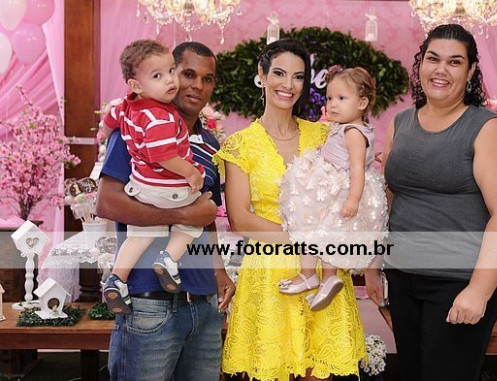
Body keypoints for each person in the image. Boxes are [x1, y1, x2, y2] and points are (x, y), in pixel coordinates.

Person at [365, 24, 497, 381]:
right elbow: (387, 199)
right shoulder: (401, 122)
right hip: (402, 278)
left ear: (470, 71)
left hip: (457, 282)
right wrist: (373, 264)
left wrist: (479, 290)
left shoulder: (487, 127)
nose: (441, 70)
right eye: (433, 59)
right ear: (420, 64)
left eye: (454, 62)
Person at [214, 39, 366, 380]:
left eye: (298, 77)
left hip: (324, 274)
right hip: (269, 273)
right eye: (280, 73)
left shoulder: (326, 135)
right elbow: (240, 219)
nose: (289, 84)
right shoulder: (240, 144)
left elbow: (351, 185)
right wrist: (309, 240)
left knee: (319, 372)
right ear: (262, 74)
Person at [96, 41, 235, 381]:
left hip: (204, 304)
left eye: (207, 79)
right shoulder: (135, 129)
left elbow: (206, 213)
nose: (197, 85)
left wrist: (218, 272)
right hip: (149, 304)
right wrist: (181, 217)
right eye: (187, 74)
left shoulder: (210, 144)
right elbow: (107, 203)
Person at [101, 39, 207, 313]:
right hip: (169, 188)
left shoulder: (126, 107)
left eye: (170, 71)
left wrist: (103, 133)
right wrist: (191, 172)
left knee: (138, 237)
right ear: (136, 85)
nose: (170, 80)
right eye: (158, 76)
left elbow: (109, 118)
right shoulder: (161, 117)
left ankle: (116, 280)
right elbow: (163, 155)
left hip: (143, 188)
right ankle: (169, 258)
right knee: (193, 220)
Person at [278, 65, 388, 311]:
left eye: (341, 98)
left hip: (338, 189)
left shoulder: (352, 132)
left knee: (312, 224)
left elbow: (357, 168)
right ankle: (326, 278)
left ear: (362, 103)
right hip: (334, 184)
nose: (332, 105)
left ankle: (311, 274)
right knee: (323, 232)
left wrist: (353, 198)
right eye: (329, 98)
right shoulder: (346, 128)